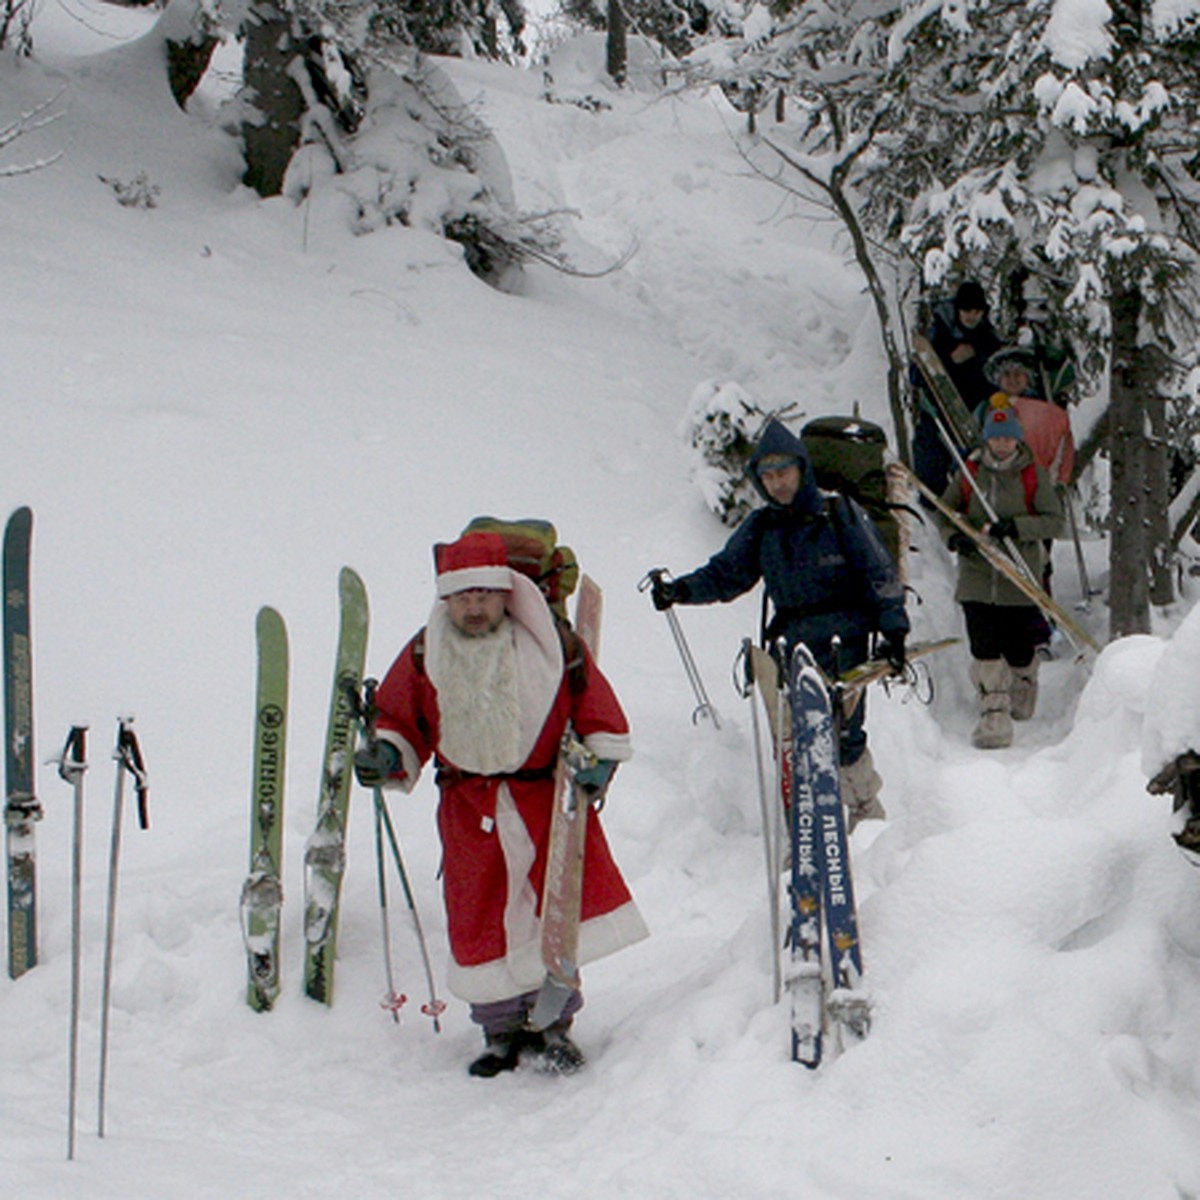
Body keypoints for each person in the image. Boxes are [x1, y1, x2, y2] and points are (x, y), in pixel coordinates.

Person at [355, 531, 648, 1077]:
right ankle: (500, 1033)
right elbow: (399, 718)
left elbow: (595, 706)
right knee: (480, 918)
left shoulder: (549, 644)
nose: (473, 607)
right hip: (468, 809)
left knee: (551, 914)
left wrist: (600, 760)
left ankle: (554, 1025)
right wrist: (387, 755)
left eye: (484, 596)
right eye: (463, 598)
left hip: (544, 801)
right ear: (447, 599)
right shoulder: (426, 650)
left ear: (504, 593)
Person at [649, 419, 910, 827]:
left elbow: (878, 572)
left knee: (844, 735)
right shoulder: (762, 527)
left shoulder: (839, 513)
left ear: (802, 469)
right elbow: (726, 575)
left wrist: (894, 631)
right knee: (797, 741)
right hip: (791, 647)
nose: (777, 484)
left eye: (783, 472)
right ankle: (809, 827)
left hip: (847, 642)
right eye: (767, 476)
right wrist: (679, 590)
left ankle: (864, 808)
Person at [939, 408, 1064, 749]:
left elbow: (1054, 520)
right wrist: (956, 537)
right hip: (977, 575)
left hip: (1019, 575)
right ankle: (994, 714)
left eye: (1008, 437)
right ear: (987, 439)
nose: (1002, 444)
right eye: (996, 437)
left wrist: (1018, 527)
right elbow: (946, 512)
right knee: (984, 646)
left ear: (1017, 439)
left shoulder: (1033, 474)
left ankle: (1023, 682)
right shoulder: (969, 473)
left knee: (1018, 647)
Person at [912, 280, 1002, 496]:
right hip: (938, 408)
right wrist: (950, 360)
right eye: (966, 310)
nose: (971, 315)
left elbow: (994, 373)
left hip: (972, 413)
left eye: (977, 311)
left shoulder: (987, 337)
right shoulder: (939, 332)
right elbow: (918, 373)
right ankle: (931, 502)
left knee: (970, 463)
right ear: (957, 309)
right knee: (932, 457)